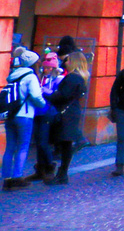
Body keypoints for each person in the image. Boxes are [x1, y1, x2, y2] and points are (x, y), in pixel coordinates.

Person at [2, 48, 46, 190]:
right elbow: (36, 96)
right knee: (22, 147)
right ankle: (17, 177)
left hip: (11, 115)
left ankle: (6, 179)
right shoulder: (31, 77)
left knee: (9, 148)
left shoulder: (13, 75)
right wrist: (43, 105)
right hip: (25, 115)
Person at [46, 51, 88, 186]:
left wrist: (49, 94)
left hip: (67, 113)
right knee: (66, 143)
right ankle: (62, 173)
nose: (65, 62)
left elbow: (63, 95)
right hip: (71, 111)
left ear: (74, 62)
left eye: (68, 60)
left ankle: (62, 174)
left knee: (66, 144)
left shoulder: (72, 78)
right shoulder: (80, 77)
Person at [28, 51, 60, 182]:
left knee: (43, 142)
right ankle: (40, 168)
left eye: (48, 68)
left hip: (47, 112)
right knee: (39, 142)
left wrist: (46, 92)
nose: (45, 70)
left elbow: (57, 95)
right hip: (37, 112)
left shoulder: (57, 79)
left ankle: (49, 167)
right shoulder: (39, 77)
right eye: (44, 67)